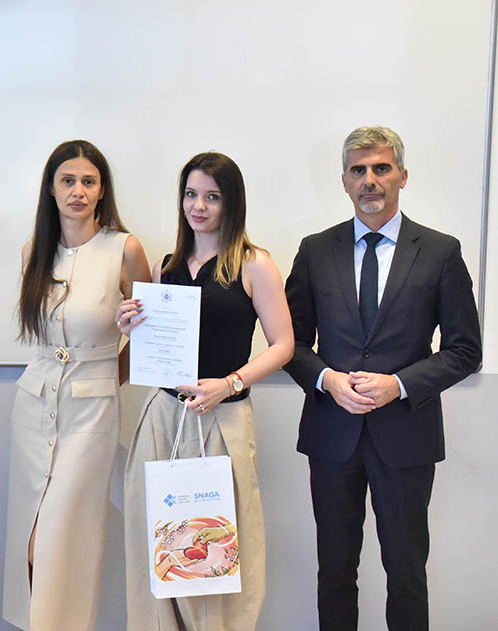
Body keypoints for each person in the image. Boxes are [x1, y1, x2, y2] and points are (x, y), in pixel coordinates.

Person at [283, 126, 482, 631]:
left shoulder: (439, 251)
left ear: (402, 176)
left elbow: (465, 350)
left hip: (406, 436)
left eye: (381, 168)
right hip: (332, 435)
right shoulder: (315, 250)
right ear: (344, 181)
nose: (369, 180)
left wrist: (399, 385)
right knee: (334, 572)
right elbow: (290, 345)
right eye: (358, 170)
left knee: (406, 572)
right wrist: (327, 379)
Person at [117, 152, 294, 630]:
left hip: (223, 418)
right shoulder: (166, 265)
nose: (199, 206)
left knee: (214, 545)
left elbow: (284, 345)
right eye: (191, 195)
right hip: (162, 417)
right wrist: (130, 326)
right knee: (160, 541)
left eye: (212, 197)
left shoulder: (254, 264)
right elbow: (157, 350)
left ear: (231, 203)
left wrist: (230, 383)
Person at [1, 139, 150, 631]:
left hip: (92, 410)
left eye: (88, 181)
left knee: (62, 538)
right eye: (68, 181)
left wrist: (109, 376)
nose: (78, 191)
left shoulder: (124, 249)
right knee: (28, 541)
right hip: (34, 402)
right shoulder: (33, 251)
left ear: (102, 189)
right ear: (51, 188)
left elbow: (151, 340)